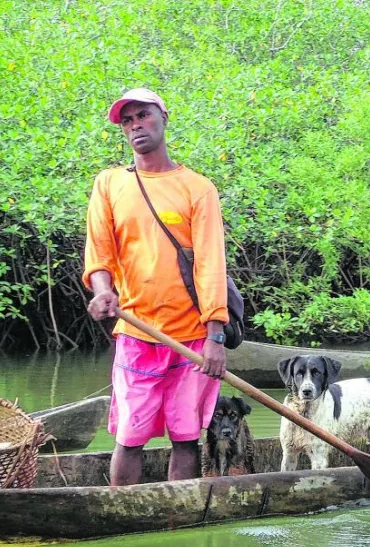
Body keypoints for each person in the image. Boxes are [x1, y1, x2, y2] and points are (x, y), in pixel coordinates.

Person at [84, 88, 230, 486]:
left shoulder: (197, 188)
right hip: (137, 331)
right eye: (127, 121)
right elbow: (99, 253)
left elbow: (211, 265)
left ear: (163, 118)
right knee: (130, 437)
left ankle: (177, 516)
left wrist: (215, 334)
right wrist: (102, 291)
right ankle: (120, 512)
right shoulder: (109, 184)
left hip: (193, 336)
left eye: (143, 116)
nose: (136, 126)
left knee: (185, 436)